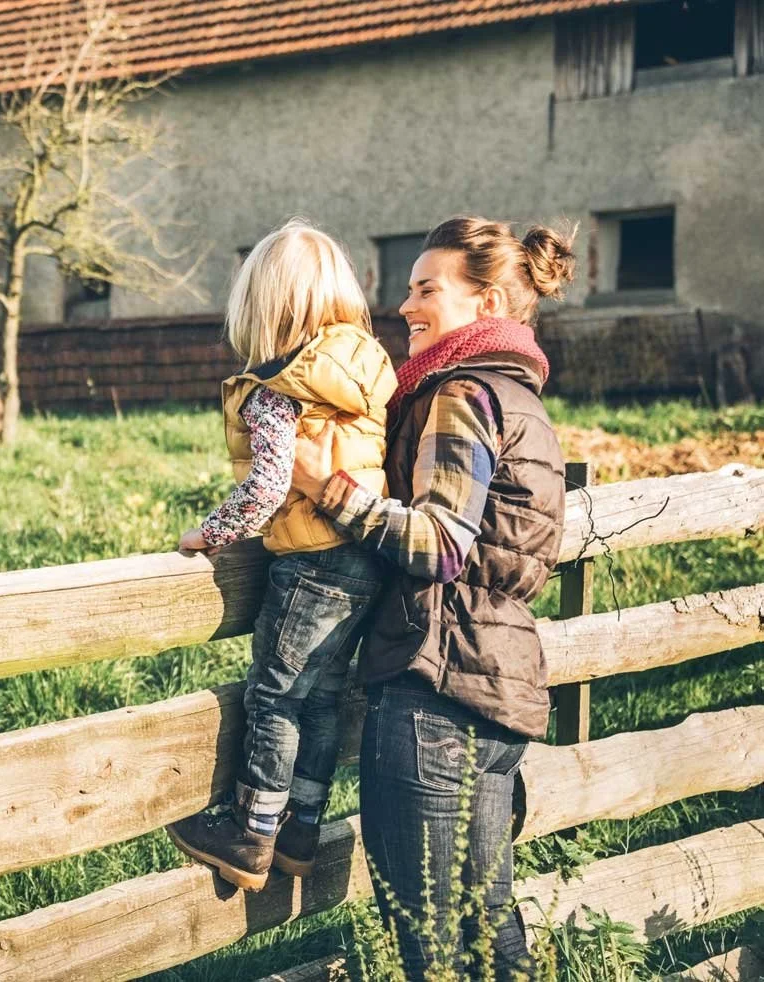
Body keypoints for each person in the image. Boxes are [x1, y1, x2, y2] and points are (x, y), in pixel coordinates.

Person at [292, 216, 575, 979]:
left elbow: (441, 544)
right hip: (492, 685)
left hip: (433, 689)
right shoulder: (520, 398)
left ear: (485, 305)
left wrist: (332, 493)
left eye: (426, 289)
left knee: (431, 942)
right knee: (485, 924)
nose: (404, 304)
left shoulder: (462, 393)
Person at [167, 218, 398, 892]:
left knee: (273, 699)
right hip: (365, 555)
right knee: (320, 700)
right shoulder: (361, 366)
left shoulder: (279, 386)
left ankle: (250, 835)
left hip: (310, 559)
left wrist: (209, 532)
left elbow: (269, 484)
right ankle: (300, 828)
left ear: (262, 305)